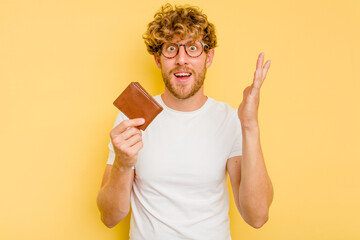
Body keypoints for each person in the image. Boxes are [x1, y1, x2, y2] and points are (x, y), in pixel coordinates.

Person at [97, 3, 273, 240]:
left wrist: (250, 126)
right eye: (171, 48)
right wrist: (123, 163)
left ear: (208, 57)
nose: (182, 60)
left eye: (192, 48)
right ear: (158, 59)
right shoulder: (133, 119)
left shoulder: (230, 119)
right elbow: (109, 217)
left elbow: (257, 216)